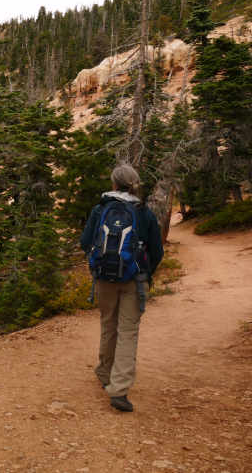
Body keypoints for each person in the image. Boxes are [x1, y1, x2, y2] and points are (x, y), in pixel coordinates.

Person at [80, 165, 164, 412]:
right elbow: (157, 251)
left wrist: (100, 264)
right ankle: (119, 390)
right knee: (128, 331)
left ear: (114, 185)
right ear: (135, 185)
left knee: (108, 324)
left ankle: (104, 374)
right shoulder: (144, 212)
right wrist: (146, 275)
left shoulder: (100, 209)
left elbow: (85, 242)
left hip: (104, 278)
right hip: (133, 280)